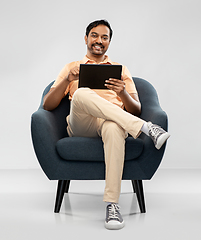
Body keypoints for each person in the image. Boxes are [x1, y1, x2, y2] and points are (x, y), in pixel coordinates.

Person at [43, 19, 170, 230]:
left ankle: (112, 206)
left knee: (113, 126)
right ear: (86, 38)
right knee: (83, 93)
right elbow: (48, 105)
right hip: (81, 124)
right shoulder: (71, 68)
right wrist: (67, 80)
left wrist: (122, 93)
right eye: (94, 35)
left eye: (104, 37)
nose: (99, 41)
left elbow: (136, 109)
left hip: (112, 122)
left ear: (109, 42)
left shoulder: (121, 71)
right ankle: (146, 128)